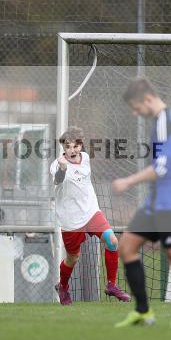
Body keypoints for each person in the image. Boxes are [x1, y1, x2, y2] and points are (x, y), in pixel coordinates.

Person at [111, 77, 171, 329]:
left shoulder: (167, 122)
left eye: (137, 108)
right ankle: (143, 311)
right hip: (156, 202)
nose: (136, 113)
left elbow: (160, 168)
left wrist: (127, 181)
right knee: (126, 246)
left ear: (148, 99)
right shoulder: (160, 122)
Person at [51, 126, 130, 305]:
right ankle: (62, 286)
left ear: (81, 146)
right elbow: (57, 180)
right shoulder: (58, 164)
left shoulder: (85, 158)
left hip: (91, 212)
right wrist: (62, 169)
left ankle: (111, 285)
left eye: (75, 146)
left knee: (112, 241)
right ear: (63, 147)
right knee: (73, 258)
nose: (71, 150)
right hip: (71, 219)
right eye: (67, 146)